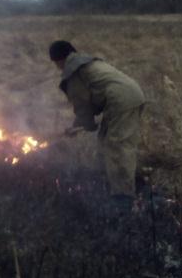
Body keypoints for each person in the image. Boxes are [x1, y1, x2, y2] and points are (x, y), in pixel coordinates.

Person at [49, 40, 145, 211]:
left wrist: (80, 125)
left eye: (56, 63)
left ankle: (123, 198)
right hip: (126, 96)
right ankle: (113, 184)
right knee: (105, 142)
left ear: (59, 60)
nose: (57, 68)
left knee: (117, 146)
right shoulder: (86, 63)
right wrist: (83, 125)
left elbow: (82, 104)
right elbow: (92, 98)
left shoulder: (73, 72)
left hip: (121, 100)